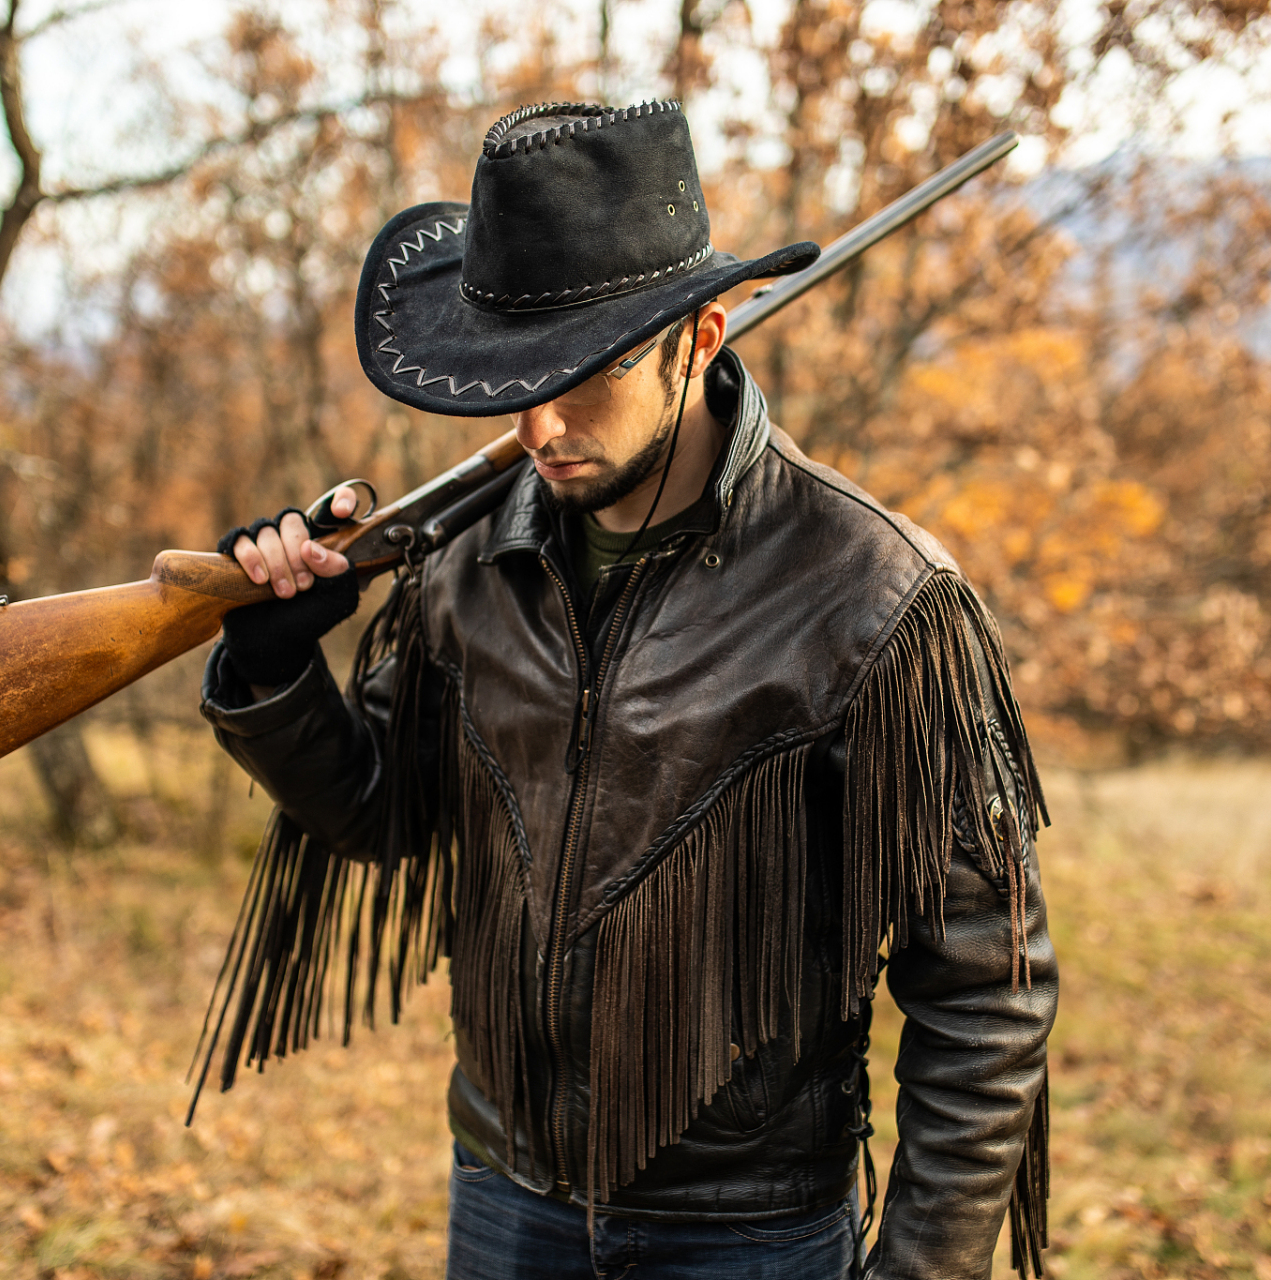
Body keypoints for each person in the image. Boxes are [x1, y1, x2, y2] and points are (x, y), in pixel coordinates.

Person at [197, 99, 1057, 1280]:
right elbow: (378, 811)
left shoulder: (877, 597)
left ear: (700, 336)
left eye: (583, 373)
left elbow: (987, 991)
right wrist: (274, 665)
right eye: (512, 377)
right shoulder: (467, 555)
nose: (540, 424)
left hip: (747, 1230)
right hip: (503, 1197)